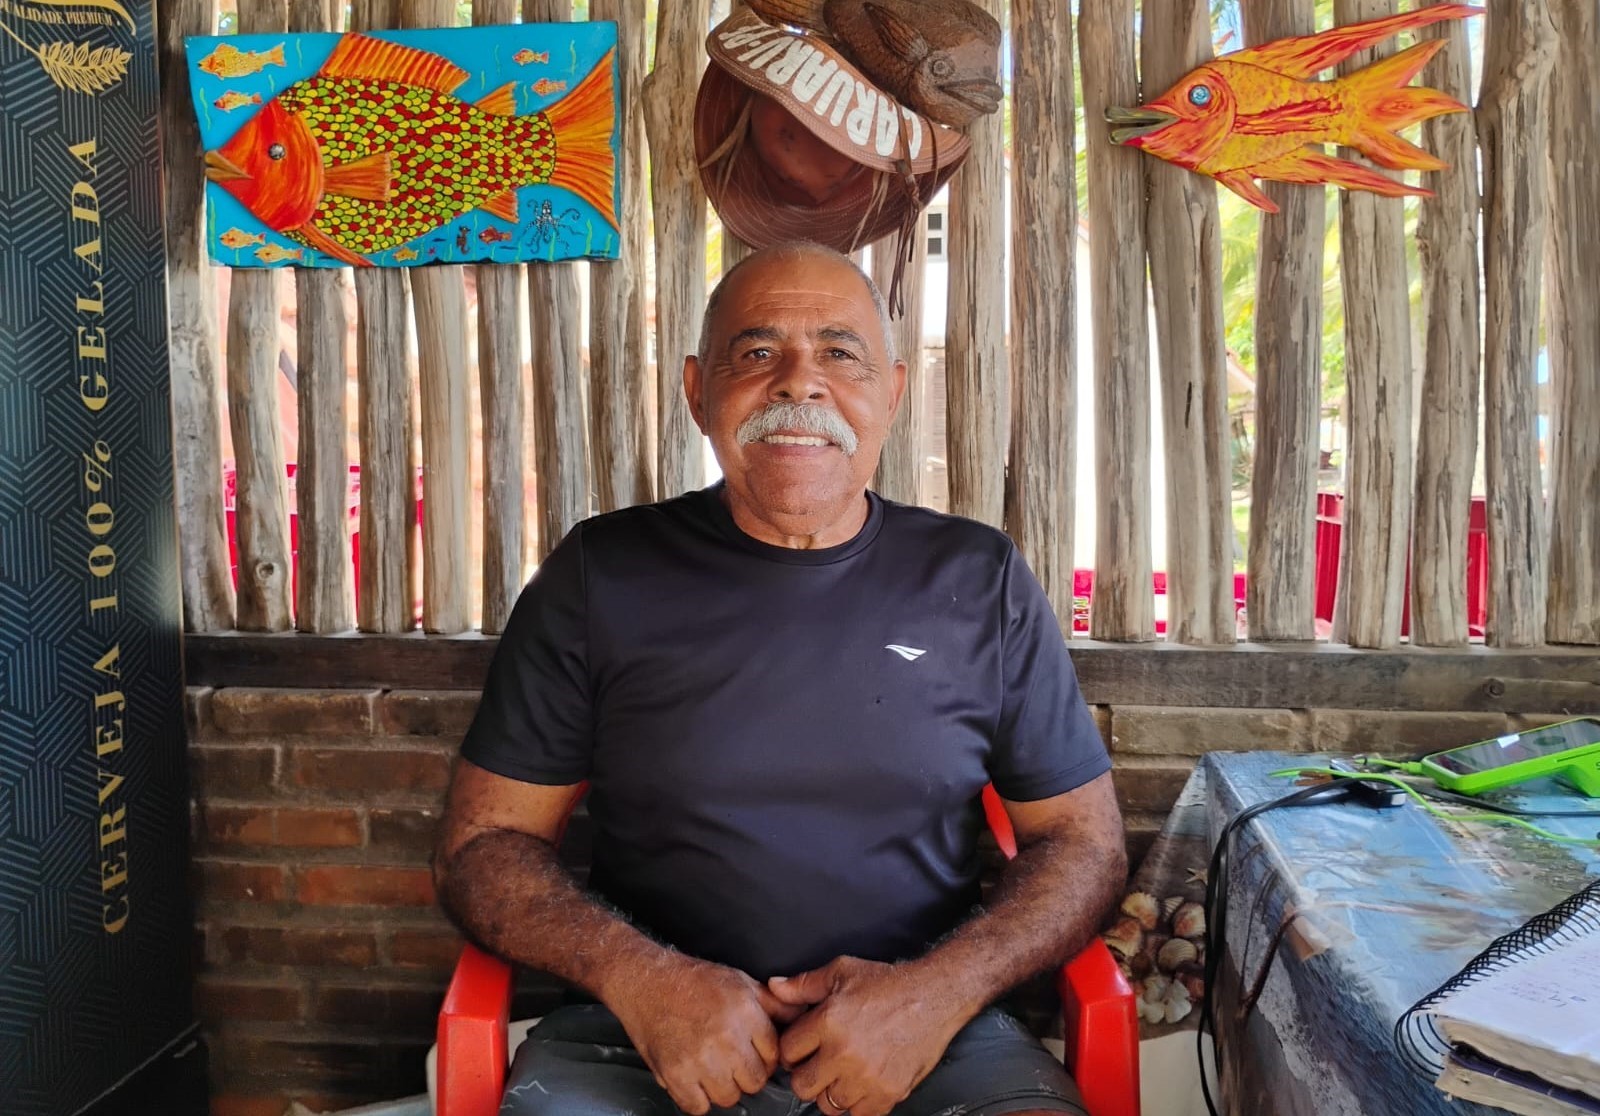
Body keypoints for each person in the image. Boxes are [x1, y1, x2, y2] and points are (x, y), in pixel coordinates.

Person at [434, 242, 1127, 1116]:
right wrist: (645, 981)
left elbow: (1084, 843)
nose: (800, 382)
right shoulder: (599, 575)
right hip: (642, 1036)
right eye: (757, 353)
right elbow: (481, 846)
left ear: (893, 393)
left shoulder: (976, 578)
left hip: (928, 1035)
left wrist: (934, 994)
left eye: (841, 353)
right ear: (697, 391)